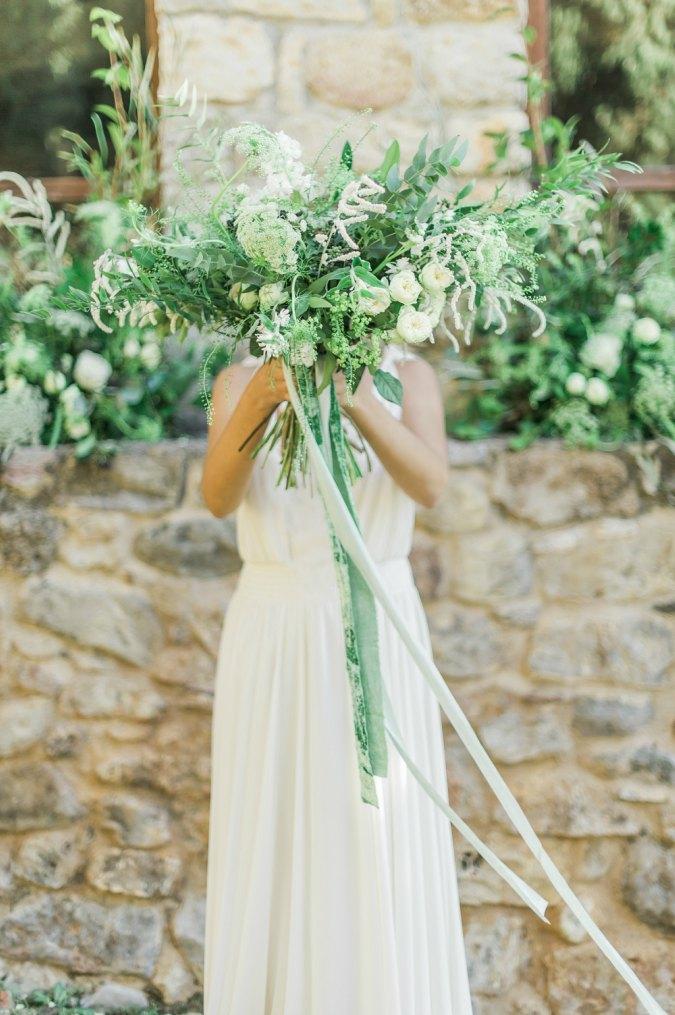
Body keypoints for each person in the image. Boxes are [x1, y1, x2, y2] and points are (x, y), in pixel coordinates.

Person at [200, 345, 473, 1014]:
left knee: (372, 824)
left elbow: (431, 485)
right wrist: (262, 397)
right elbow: (217, 498)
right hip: (273, 630)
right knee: (274, 824)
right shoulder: (238, 378)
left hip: (376, 620)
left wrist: (358, 400)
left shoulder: (409, 376)